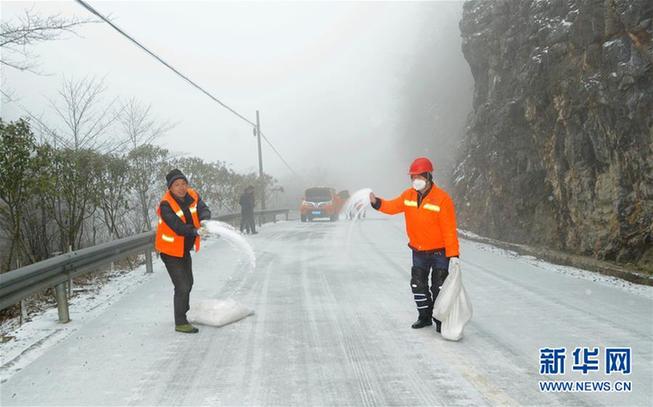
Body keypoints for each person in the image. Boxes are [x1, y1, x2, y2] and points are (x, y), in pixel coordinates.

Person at [369, 157, 461, 332]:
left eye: (419, 177)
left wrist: (454, 255)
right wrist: (376, 203)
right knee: (417, 284)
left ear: (428, 176)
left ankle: (440, 320)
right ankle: (424, 316)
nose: (415, 181)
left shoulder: (442, 199)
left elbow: (449, 230)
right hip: (418, 251)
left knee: (439, 286)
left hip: (439, 252)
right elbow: (391, 206)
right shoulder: (408, 195)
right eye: (413, 177)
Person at [155, 169, 211, 334]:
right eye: (177, 184)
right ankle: (180, 322)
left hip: (183, 249)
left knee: (189, 282)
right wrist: (195, 231)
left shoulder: (192, 195)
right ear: (170, 187)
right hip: (170, 250)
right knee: (182, 286)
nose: (181, 187)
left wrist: (205, 220)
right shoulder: (166, 204)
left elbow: (203, 209)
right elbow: (177, 226)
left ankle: (184, 312)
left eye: (183, 183)